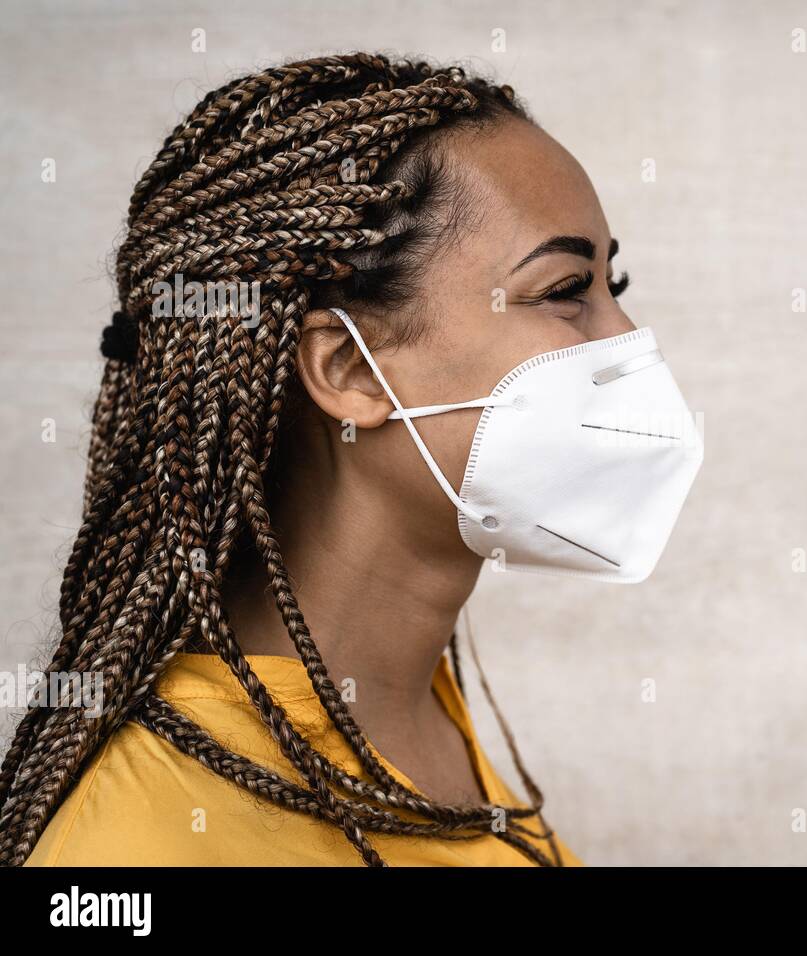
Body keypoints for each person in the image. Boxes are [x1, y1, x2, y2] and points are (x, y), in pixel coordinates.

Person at [1, 52, 702, 867]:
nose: (627, 341)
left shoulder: (406, 711)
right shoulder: (143, 844)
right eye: (565, 290)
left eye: (613, 283)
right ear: (350, 370)